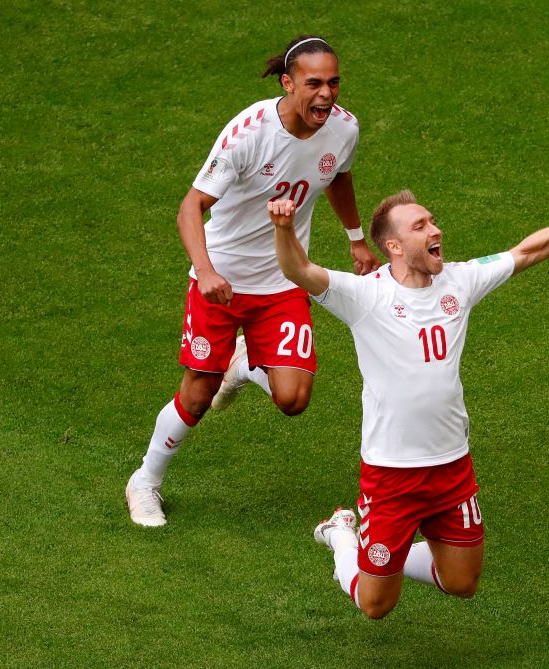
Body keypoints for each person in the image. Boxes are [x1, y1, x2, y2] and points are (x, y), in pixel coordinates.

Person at [269, 190, 549, 618]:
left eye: (432, 220)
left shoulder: (459, 281)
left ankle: (385, 554)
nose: (435, 230)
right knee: (376, 605)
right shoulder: (364, 296)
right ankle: (343, 538)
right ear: (394, 246)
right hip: (391, 475)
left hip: (452, 467)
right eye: (420, 226)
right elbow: (298, 269)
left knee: (462, 582)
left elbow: (525, 253)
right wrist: (284, 228)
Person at [125, 35, 381, 527]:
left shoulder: (344, 128)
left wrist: (356, 239)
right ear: (287, 83)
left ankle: (243, 365)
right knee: (198, 393)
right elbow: (190, 207)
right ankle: (145, 481)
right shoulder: (248, 133)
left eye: (333, 82)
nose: (327, 94)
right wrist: (206, 272)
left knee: (293, 398)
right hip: (221, 280)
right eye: (314, 83)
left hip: (284, 278)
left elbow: (338, 176)